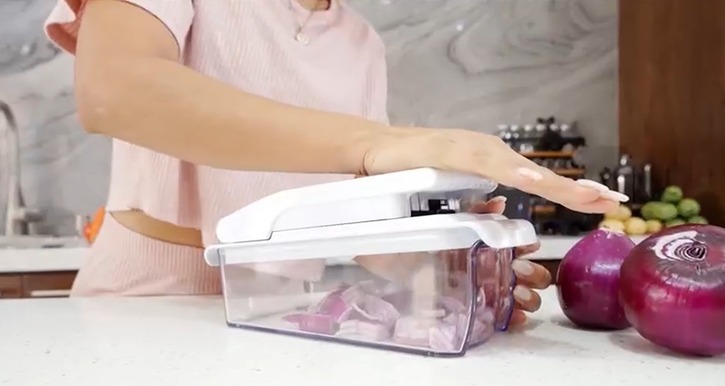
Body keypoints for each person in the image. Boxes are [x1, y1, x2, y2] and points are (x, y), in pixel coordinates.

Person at [44, 0, 626, 326]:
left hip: (289, 318)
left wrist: (443, 269)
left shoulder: (361, 42)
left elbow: (351, 225)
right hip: (144, 309)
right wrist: (376, 145)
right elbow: (114, 92)